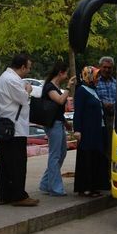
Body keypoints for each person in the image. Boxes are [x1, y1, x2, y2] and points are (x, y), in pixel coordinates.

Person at [0, 53, 39, 207]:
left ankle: (4, 195)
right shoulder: (12, 80)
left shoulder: (3, 77)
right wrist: (28, 89)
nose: (28, 71)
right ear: (22, 67)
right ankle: (18, 195)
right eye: (28, 68)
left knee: (4, 163)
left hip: (6, 127)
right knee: (17, 163)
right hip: (15, 128)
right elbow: (23, 99)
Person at [73, 66, 109, 197]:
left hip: (98, 129)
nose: (98, 78)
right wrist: (77, 129)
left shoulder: (93, 90)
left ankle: (95, 185)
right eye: (95, 75)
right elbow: (78, 111)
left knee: (96, 157)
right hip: (88, 131)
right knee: (87, 158)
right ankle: (87, 187)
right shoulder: (82, 91)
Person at [38, 60, 71, 197]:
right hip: (53, 125)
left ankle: (46, 183)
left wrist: (66, 123)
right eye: (66, 74)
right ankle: (55, 187)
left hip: (58, 122)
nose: (67, 77)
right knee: (55, 155)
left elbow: (57, 109)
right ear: (60, 72)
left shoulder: (55, 86)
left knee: (61, 153)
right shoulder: (50, 87)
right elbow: (60, 101)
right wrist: (68, 88)